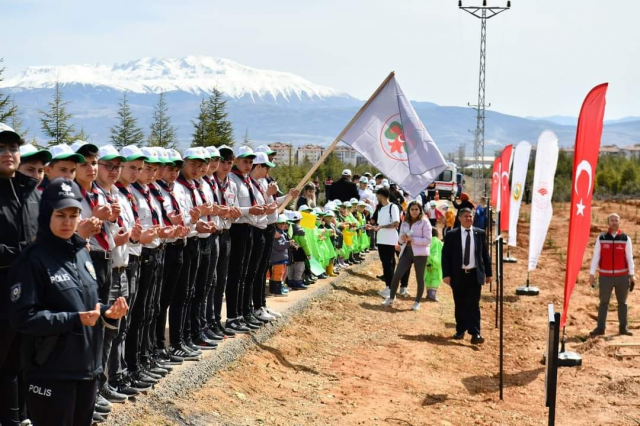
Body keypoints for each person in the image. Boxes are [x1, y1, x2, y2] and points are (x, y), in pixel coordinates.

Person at [9, 178, 128, 426]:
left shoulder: (81, 252)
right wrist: (74, 320)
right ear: (46, 215)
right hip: (50, 372)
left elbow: (88, 303)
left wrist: (107, 313)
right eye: (60, 215)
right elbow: (23, 318)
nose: (67, 222)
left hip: (86, 368)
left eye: (73, 215)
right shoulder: (32, 260)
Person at [0, 123, 40, 426]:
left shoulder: (30, 193)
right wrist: (25, 253)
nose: (8, 154)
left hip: (27, 292)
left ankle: (16, 416)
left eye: (12, 148)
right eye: (0, 149)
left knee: (18, 359)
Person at [442, 208, 492, 344]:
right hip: (458, 275)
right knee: (460, 303)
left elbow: (485, 255)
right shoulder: (452, 235)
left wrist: (489, 273)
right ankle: (460, 329)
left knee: (474, 304)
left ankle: (475, 333)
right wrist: (446, 274)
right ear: (459, 218)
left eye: (471, 216)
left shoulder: (480, 233)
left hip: (475, 274)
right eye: (465, 216)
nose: (468, 218)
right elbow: (445, 256)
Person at [589, 213, 635, 336]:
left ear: (619, 222)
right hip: (605, 276)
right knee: (603, 302)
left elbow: (629, 258)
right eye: (612, 220)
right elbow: (596, 257)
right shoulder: (601, 238)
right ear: (608, 222)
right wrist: (591, 274)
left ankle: (623, 328)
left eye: (616, 220)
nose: (614, 222)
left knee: (623, 303)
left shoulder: (625, 238)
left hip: (622, 276)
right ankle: (600, 328)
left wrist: (632, 275)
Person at [383, 201, 432, 310]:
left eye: (416, 209)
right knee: (397, 274)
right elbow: (400, 239)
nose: (414, 212)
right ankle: (391, 298)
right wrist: (403, 238)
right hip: (407, 252)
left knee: (420, 278)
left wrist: (413, 239)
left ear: (420, 210)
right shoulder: (405, 222)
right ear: (408, 211)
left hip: (420, 253)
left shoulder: (425, 222)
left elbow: (428, 240)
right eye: (412, 209)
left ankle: (417, 302)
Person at [374, 187, 400, 298]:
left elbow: (395, 223)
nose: (377, 198)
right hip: (381, 240)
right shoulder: (380, 209)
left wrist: (382, 227)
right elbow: (380, 224)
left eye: (377, 196)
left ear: (381, 195)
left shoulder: (393, 207)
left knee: (388, 264)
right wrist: (374, 227)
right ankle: (388, 287)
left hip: (389, 240)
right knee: (385, 264)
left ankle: (390, 289)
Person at [270, 215, 292, 297]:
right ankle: (277, 292)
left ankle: (273, 290)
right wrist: (289, 243)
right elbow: (279, 246)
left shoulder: (281, 232)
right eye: (280, 223)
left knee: (277, 274)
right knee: (278, 274)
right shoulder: (277, 233)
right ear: (276, 224)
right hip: (278, 258)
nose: (282, 225)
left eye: (283, 223)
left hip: (280, 257)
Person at [424, 227, 443, 302]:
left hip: (427, 262)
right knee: (435, 278)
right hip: (437, 263)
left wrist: (428, 263)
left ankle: (429, 294)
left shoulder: (427, 241)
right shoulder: (439, 242)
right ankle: (432, 295)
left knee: (428, 277)